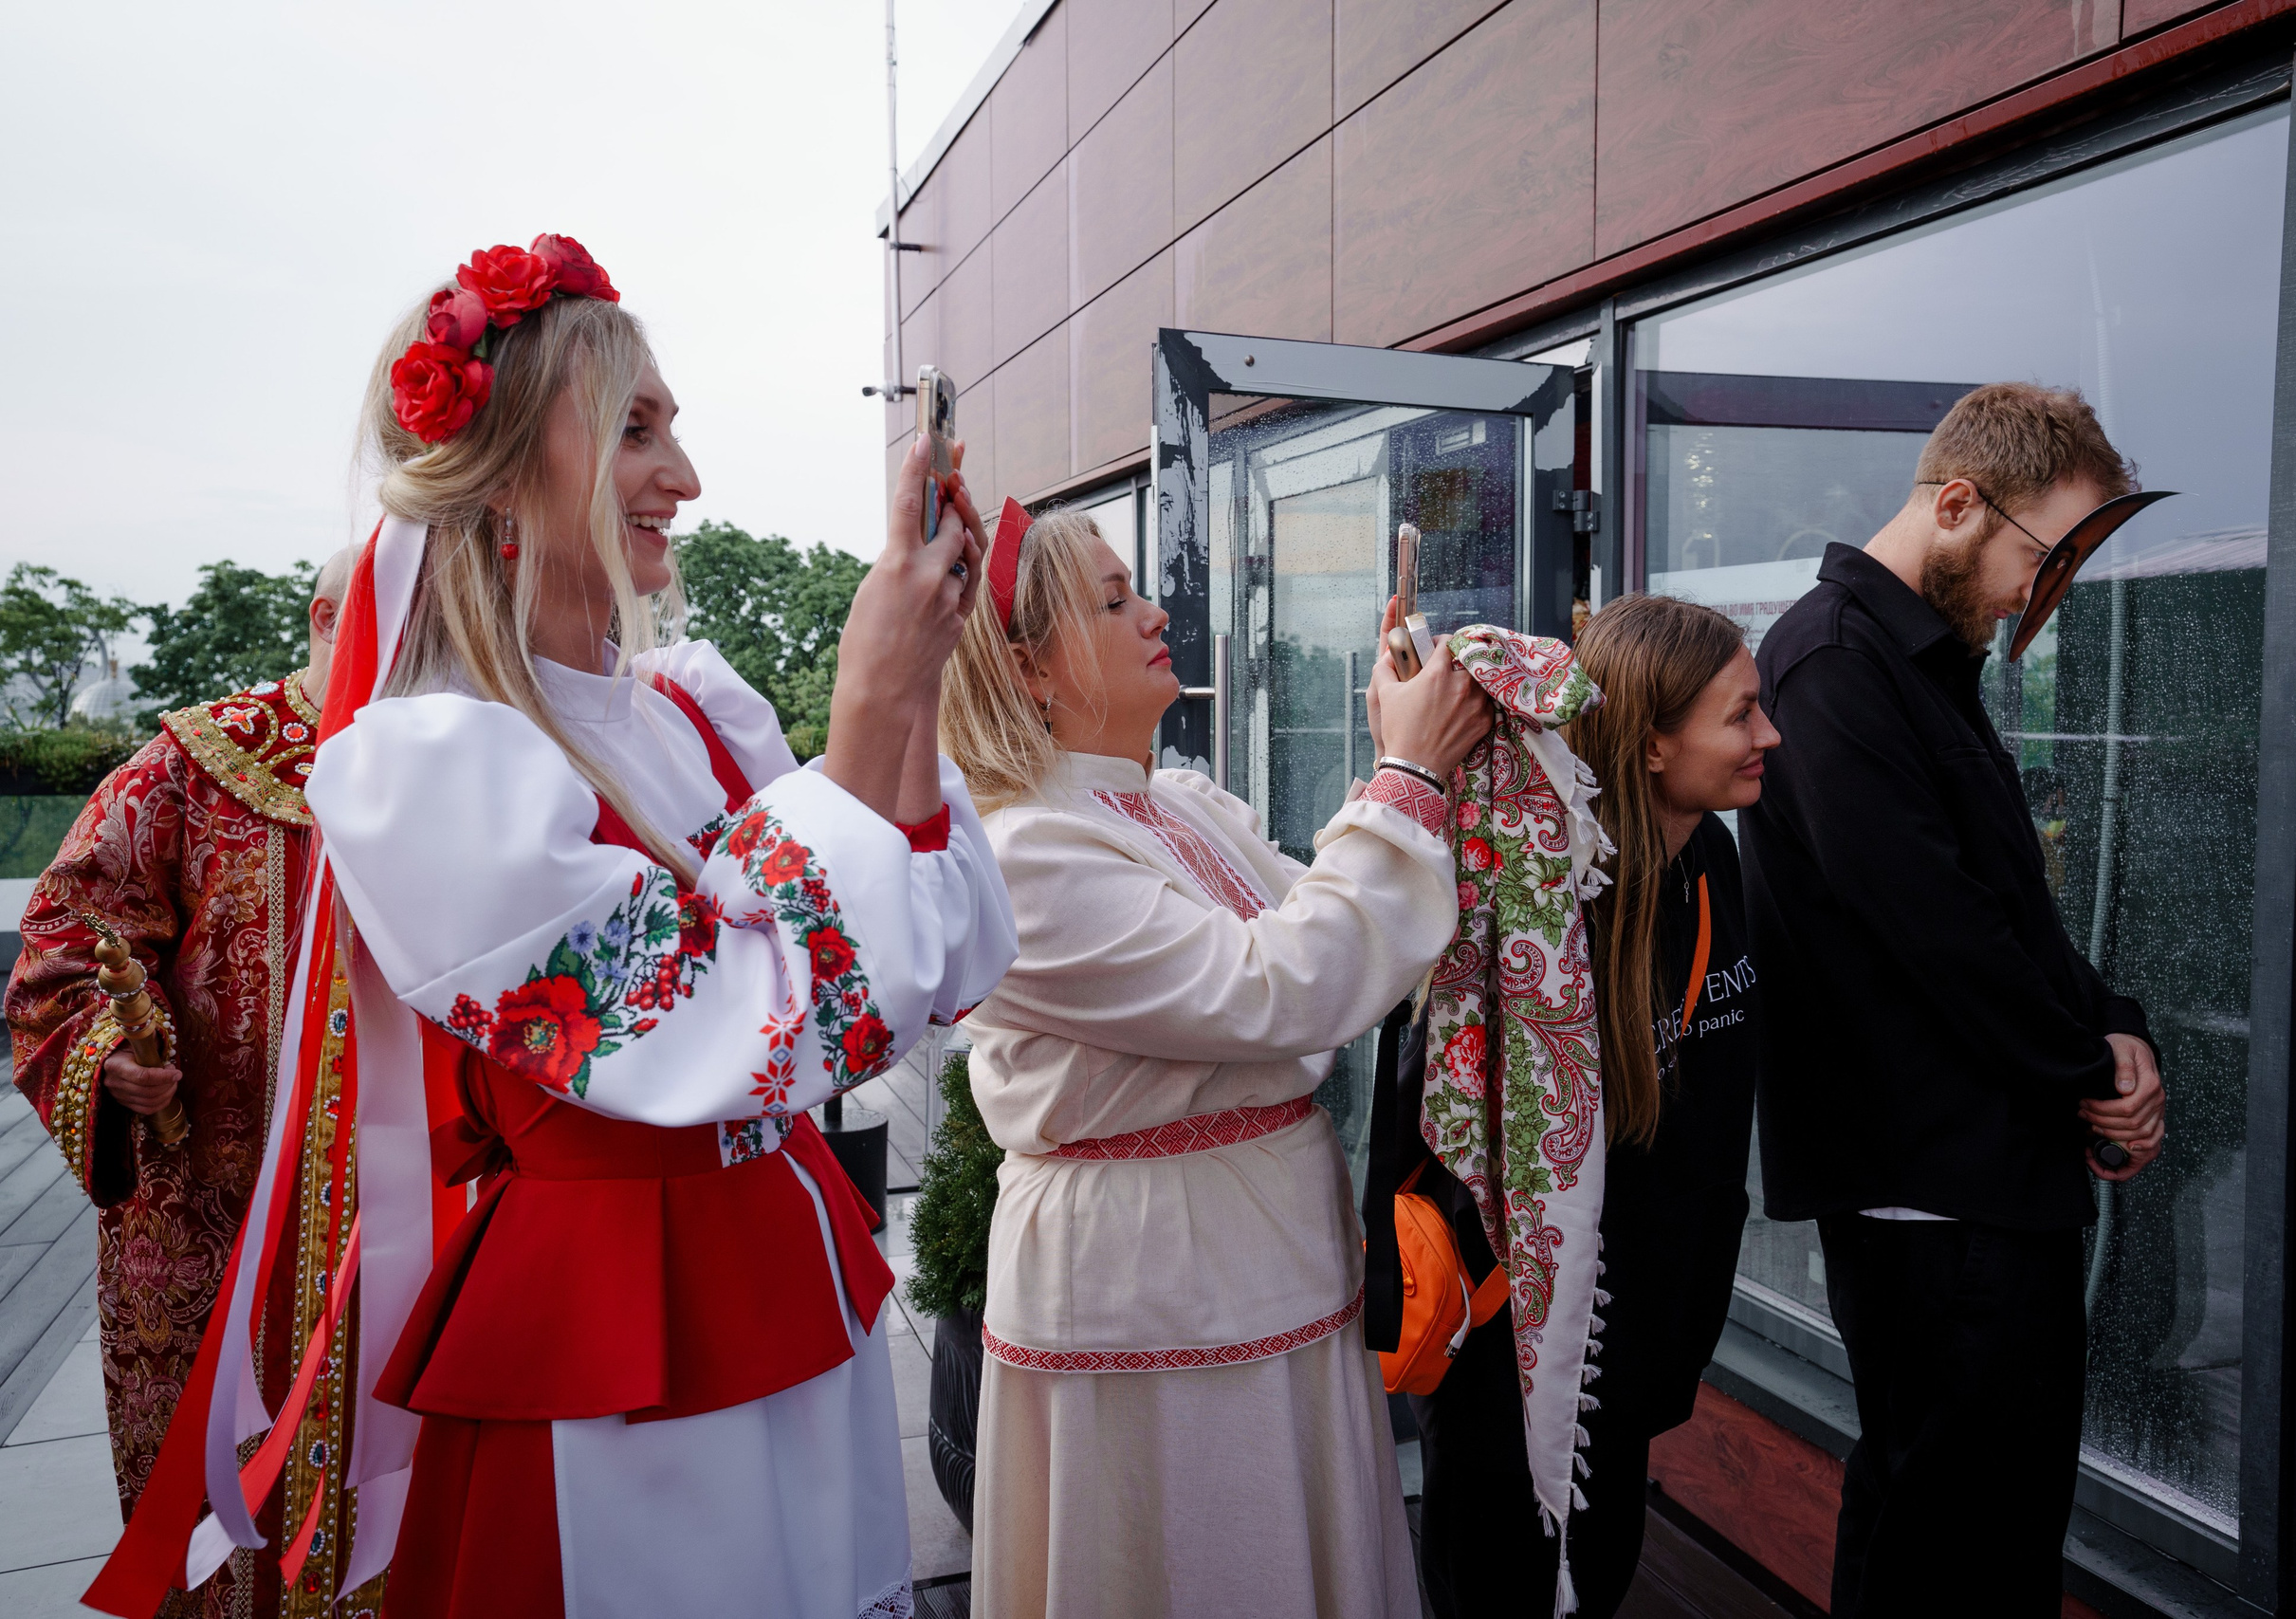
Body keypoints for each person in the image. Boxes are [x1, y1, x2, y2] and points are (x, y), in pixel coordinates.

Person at [83, 236, 1018, 1619]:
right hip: (608, 1355)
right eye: (636, 428)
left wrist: (914, 704)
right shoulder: (430, 766)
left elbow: (940, 971)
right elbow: (726, 1025)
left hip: (780, 1283)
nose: (686, 479)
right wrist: (868, 713)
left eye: (678, 430)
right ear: (510, 465)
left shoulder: (689, 707)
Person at [938, 504, 1491, 1619]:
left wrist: (1407, 753)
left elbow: (1335, 928)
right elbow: (1282, 988)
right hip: (1151, 1275)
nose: (1152, 613)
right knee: (1191, 1548)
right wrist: (1406, 772)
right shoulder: (1025, 852)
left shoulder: (1170, 801)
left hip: (1262, 1239)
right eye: (1109, 601)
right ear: (1028, 669)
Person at [1739, 382, 2168, 1616]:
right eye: (2048, 555)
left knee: (1951, 1523)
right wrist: (2096, 1069)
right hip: (1932, 1188)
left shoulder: (1919, 662)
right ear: (1960, 503)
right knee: (1961, 1547)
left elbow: (2005, 908)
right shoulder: (1832, 663)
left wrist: (2114, 1022)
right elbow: (1940, 934)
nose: (2049, 594)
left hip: (1975, 1169)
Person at [1392, 595, 1777, 1617]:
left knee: (1596, 1576)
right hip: (1514, 1358)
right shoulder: (1544, 899)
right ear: (1653, 745)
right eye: (1740, 714)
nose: (1769, 735)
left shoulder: (1710, 859)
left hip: (1645, 1334)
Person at [8, 543, 355, 1618]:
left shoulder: (460, 765)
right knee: (218, 1527)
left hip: (398, 1210)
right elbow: (67, 939)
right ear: (324, 617)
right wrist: (111, 1054)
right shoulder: (196, 764)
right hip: (213, 1206)